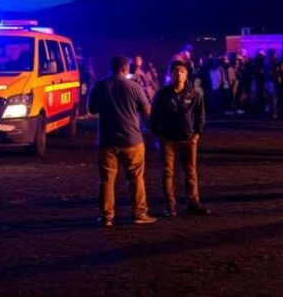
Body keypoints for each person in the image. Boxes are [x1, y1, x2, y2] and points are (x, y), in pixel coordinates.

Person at [88, 55, 156, 227]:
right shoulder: (134, 87)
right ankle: (139, 214)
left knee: (107, 180)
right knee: (135, 178)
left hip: (107, 140)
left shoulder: (100, 86)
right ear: (126, 68)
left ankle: (106, 216)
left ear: (111, 68)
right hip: (132, 139)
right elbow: (146, 110)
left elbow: (92, 109)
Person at [150, 60, 210, 216]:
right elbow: (153, 117)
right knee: (168, 172)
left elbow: (201, 116)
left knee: (190, 172)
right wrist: (158, 136)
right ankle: (170, 205)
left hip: (188, 139)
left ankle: (193, 203)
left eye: (182, 71)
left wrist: (197, 134)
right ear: (171, 74)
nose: (179, 74)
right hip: (168, 139)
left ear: (186, 74)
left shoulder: (194, 93)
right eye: (176, 71)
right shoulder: (162, 94)